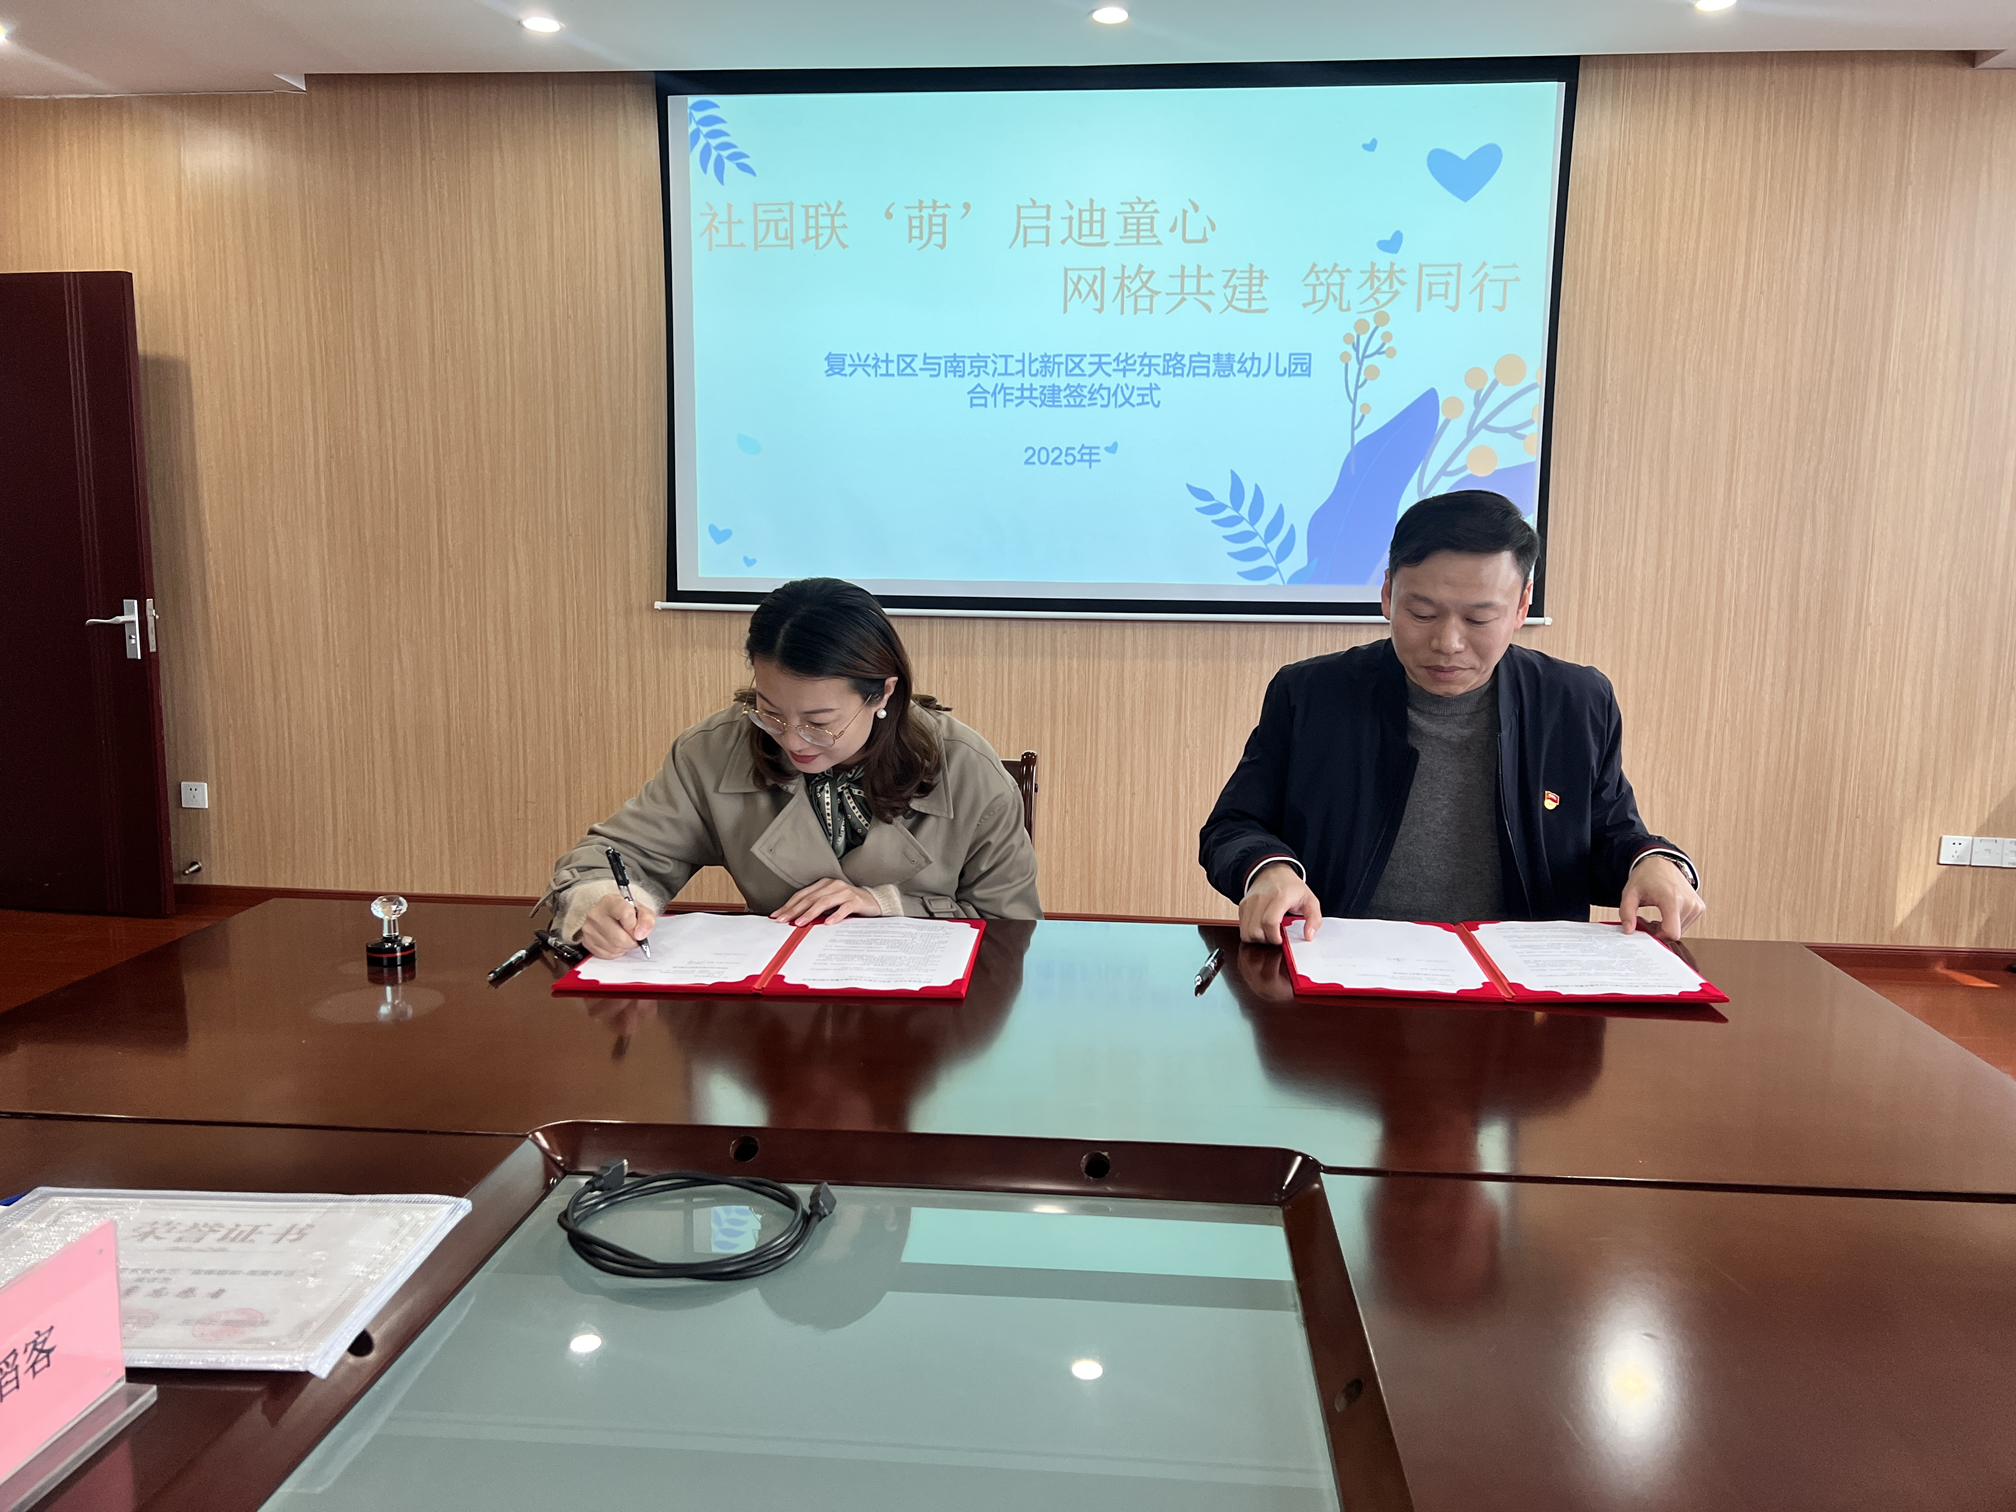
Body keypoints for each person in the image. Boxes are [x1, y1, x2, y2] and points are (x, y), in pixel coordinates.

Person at [1200, 490, 1704, 944]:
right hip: (1344, 970)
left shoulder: (1574, 702)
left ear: (1522, 606)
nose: (1448, 642)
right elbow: (1234, 824)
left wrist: (1652, 862)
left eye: (1478, 618)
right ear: (1387, 594)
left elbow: (1610, 836)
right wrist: (1267, 869)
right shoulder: (1312, 695)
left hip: (1518, 984)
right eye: (1422, 613)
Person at [545, 578, 1040, 957]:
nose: (791, 740)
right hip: (775, 1015)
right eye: (771, 712)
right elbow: (612, 856)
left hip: (925, 1025)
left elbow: (1012, 930)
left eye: (819, 722)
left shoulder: (969, 771)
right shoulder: (716, 749)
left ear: (882, 694)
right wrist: (601, 904)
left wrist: (888, 905)